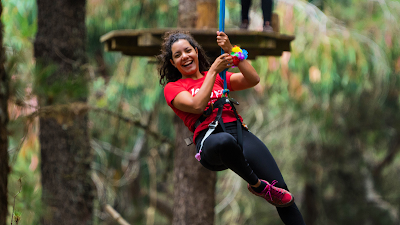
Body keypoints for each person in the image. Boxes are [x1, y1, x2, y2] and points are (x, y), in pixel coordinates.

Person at [157, 30, 305, 224]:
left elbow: (253, 79)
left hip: (238, 132)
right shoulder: (174, 88)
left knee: (282, 191)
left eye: (187, 51)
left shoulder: (220, 79)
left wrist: (232, 49)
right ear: (173, 63)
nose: (184, 56)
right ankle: (258, 186)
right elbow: (196, 105)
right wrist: (212, 71)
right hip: (210, 140)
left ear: (196, 51)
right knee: (225, 142)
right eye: (177, 55)